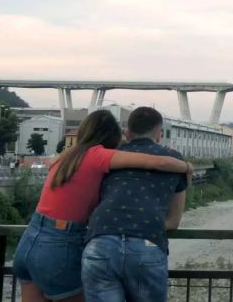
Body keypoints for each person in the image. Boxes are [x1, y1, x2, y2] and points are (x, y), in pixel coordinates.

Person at [12, 110, 193, 302]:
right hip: (60, 245)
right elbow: (159, 162)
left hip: (29, 241)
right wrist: (186, 167)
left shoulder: (65, 157)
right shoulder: (98, 156)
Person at [81, 107, 190, 302]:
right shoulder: (174, 160)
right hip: (146, 244)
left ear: (127, 133)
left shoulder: (109, 156)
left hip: (100, 242)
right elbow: (173, 221)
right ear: (159, 134)